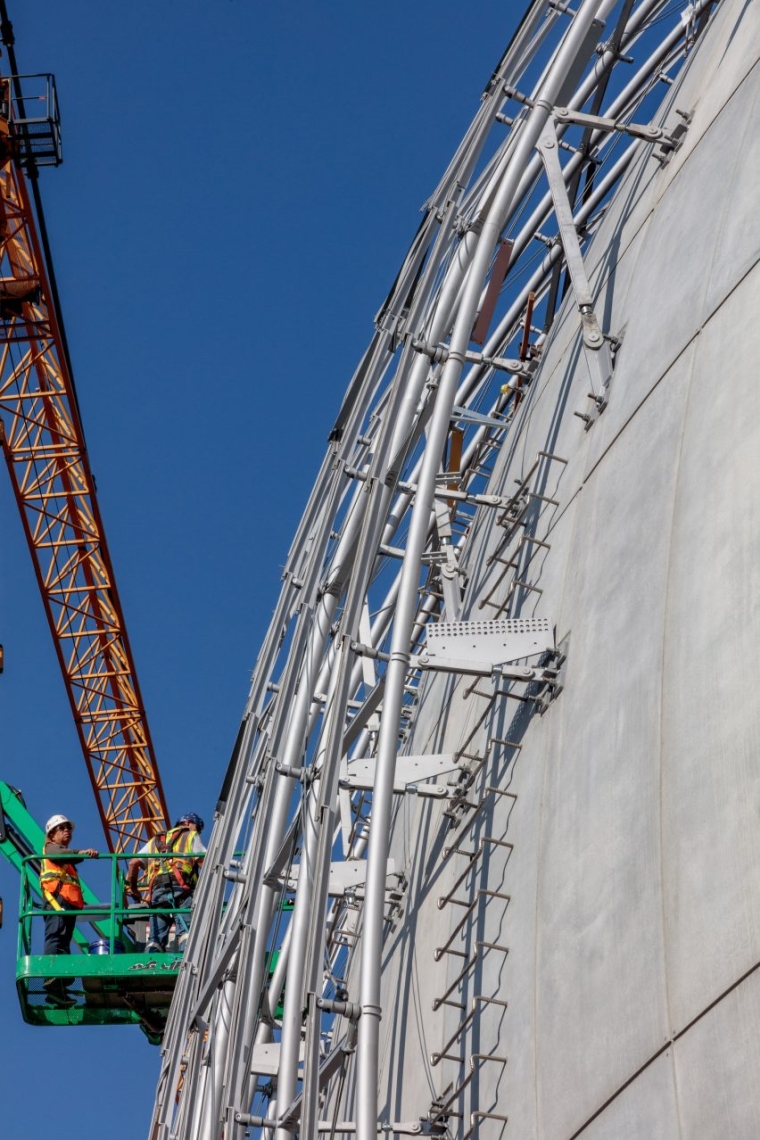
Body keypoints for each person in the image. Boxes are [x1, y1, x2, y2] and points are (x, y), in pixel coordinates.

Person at [39, 813, 97, 1007]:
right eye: (62, 828)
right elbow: (63, 855)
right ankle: (50, 978)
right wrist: (81, 853)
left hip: (68, 904)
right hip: (57, 901)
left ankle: (59, 989)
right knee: (55, 937)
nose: (67, 831)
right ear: (52, 833)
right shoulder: (52, 848)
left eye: (68, 828)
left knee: (63, 943)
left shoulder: (66, 858)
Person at [127, 812, 205, 953]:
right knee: (186, 933)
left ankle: (150, 966)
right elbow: (205, 863)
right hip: (181, 890)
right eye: (197, 827)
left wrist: (133, 888)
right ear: (188, 823)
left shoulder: (155, 841)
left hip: (157, 894)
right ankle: (186, 965)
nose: (197, 831)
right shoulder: (191, 835)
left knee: (154, 940)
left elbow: (132, 863)